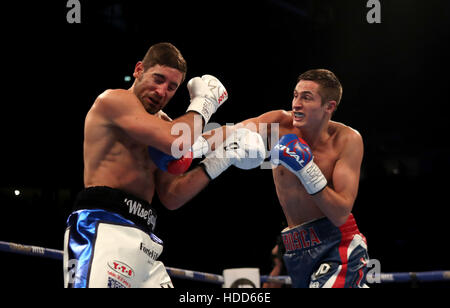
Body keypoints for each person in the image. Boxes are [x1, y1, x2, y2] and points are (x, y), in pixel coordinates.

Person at [63, 42, 266, 288]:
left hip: (145, 239)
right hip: (104, 226)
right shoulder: (114, 100)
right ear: (139, 70)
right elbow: (176, 142)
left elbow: (172, 196)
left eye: (172, 87)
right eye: (157, 79)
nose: (162, 92)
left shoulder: (166, 125)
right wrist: (205, 103)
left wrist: (223, 158)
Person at [235, 69, 369, 288]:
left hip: (337, 245)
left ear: (329, 106)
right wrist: (185, 138)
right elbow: (226, 135)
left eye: (306, 98)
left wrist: (307, 169)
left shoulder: (347, 140)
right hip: (297, 249)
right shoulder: (277, 124)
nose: (296, 104)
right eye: (295, 95)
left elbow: (340, 213)